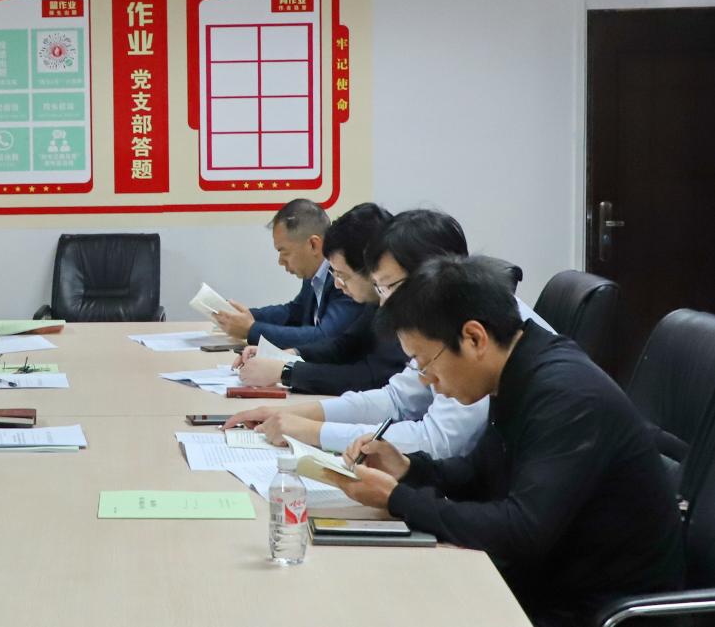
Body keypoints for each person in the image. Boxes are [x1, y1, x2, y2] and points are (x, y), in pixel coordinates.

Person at [328, 255, 683, 626]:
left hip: (592, 610)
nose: (426, 380)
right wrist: (409, 469)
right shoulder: (516, 369)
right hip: (544, 584)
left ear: (474, 338)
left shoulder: (565, 395)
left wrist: (397, 499)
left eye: (425, 362)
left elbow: (521, 530)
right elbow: (480, 472)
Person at [227, 209, 551, 458]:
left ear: (432, 275)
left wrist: (314, 432)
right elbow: (397, 399)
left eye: (388, 287)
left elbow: (440, 442)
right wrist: (294, 416)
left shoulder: (477, 332)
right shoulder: (441, 322)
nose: (383, 303)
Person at [236, 202, 406, 395]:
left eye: (343, 276)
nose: (337, 284)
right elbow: (345, 345)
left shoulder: (404, 305)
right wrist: (286, 356)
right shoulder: (376, 301)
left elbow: (372, 377)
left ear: (371, 267)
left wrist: (286, 372)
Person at [211, 198, 363, 348]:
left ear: (313, 245)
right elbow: (294, 312)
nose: (280, 261)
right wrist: (249, 316)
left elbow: (325, 338)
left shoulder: (345, 279)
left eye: (284, 252)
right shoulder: (314, 273)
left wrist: (251, 330)